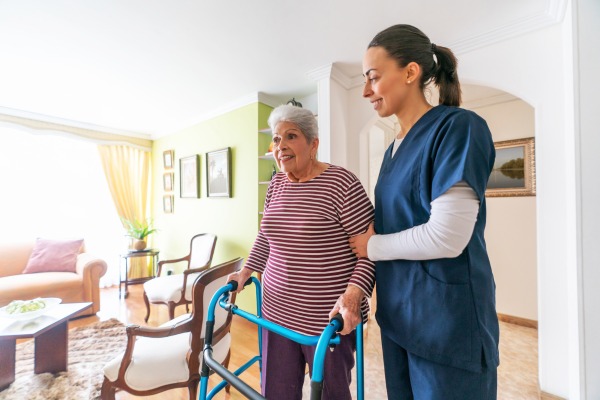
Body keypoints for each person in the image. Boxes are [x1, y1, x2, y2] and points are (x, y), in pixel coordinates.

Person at [350, 24, 499, 399]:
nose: (366, 91)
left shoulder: (458, 128)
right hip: (399, 319)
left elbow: (447, 236)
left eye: (373, 77)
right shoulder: (392, 150)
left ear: (411, 72)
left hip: (446, 324)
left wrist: (372, 247)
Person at [228, 104, 375, 400]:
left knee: (331, 393)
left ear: (313, 143)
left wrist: (353, 296)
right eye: (277, 139)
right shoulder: (276, 184)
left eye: (290, 136)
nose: (280, 146)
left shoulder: (342, 184)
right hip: (274, 312)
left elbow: (369, 253)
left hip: (327, 320)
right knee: (277, 392)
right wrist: (245, 270)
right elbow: (267, 237)